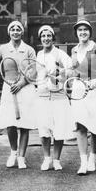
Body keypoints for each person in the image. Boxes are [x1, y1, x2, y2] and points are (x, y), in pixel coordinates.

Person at [0, 21, 38, 169]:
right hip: (9, 88)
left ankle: (21, 157)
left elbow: (34, 70)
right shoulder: (2, 49)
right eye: (12, 29)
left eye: (18, 29)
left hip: (25, 88)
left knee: (24, 125)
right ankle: (13, 152)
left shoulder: (29, 50)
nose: (15, 31)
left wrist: (22, 83)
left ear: (22, 32)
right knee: (10, 124)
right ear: (9, 32)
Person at [70, 20, 96, 175]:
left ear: (90, 32)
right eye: (80, 30)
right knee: (80, 126)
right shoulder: (73, 50)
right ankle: (83, 162)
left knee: (95, 127)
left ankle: (92, 157)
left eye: (86, 30)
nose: (83, 32)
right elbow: (74, 71)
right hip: (78, 90)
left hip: (95, 91)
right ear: (77, 33)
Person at [35, 25, 75, 171]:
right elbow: (34, 75)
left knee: (59, 130)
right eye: (43, 36)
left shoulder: (61, 54)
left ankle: (56, 159)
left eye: (49, 35)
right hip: (43, 97)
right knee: (44, 130)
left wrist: (61, 75)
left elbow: (72, 70)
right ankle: (47, 159)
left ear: (53, 38)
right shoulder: (38, 55)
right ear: (40, 39)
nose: (46, 38)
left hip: (59, 97)